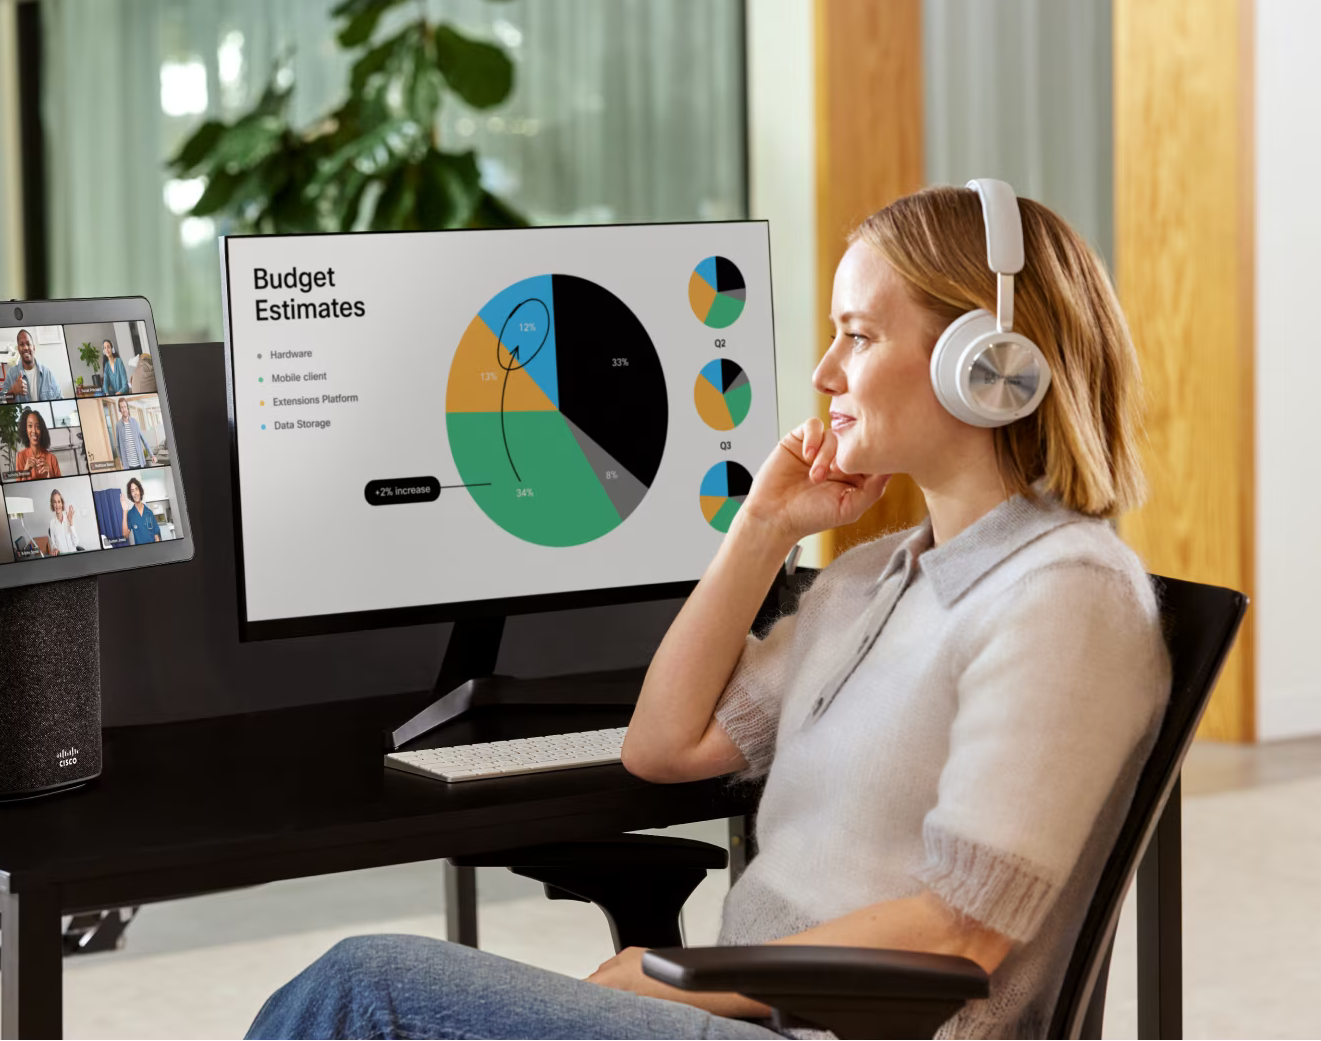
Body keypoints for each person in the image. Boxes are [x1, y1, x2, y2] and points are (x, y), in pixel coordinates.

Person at [247, 185, 1169, 1041]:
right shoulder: (872, 580)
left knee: (365, 989)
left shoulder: (1066, 596)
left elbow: (960, 939)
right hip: (747, 1014)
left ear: (987, 362)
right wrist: (762, 528)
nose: (825, 370)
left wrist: (679, 977)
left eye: (859, 335)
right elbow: (665, 745)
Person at [2, 329, 64, 401]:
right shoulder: (11, 374)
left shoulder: (48, 374)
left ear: (34, 348)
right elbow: (0, 400)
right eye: (22, 344)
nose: (25, 348)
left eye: (28, 344)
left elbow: (60, 399)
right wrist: (13, 391)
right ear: (18, 349)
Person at [13, 407, 62, 481]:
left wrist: (50, 475)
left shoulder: (52, 458)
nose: (34, 431)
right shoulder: (20, 457)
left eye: (38, 427)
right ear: (25, 429)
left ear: (42, 430)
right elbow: (19, 488)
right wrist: (25, 471)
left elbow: (59, 484)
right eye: (30, 426)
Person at [44, 489, 88, 554]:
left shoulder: (68, 518)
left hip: (73, 554)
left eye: (59, 501)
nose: (57, 505)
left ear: (62, 503)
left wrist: (71, 522)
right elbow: (53, 543)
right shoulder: (52, 523)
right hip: (61, 556)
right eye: (55, 502)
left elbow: (76, 543)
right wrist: (55, 548)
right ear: (52, 504)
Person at [112, 397, 151, 469]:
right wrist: (122, 460)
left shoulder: (135, 422)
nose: (124, 409)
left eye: (125, 406)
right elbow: (117, 445)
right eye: (122, 407)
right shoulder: (118, 425)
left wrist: (152, 455)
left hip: (140, 462)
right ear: (120, 410)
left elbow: (144, 440)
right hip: (128, 465)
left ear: (127, 407)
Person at [122, 477, 162, 545]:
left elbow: (156, 536)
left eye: (136, 489)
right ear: (130, 494)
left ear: (140, 491)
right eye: (132, 491)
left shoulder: (149, 512)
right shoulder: (130, 514)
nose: (135, 493)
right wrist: (125, 511)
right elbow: (125, 535)